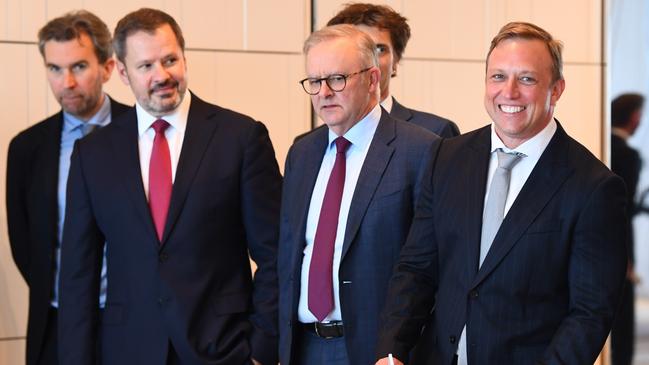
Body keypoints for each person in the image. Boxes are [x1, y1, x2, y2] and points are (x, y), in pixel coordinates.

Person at [375, 21, 628, 365]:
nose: (508, 92)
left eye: (526, 79)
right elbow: (417, 268)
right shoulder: (446, 157)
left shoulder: (594, 187)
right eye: (497, 77)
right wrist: (391, 352)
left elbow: (589, 313)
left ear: (556, 90)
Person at [57, 8, 281, 365]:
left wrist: (262, 349)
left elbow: (276, 255)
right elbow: (76, 277)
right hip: (128, 351)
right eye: (146, 66)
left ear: (184, 58)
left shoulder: (240, 137)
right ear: (123, 73)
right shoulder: (93, 154)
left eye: (170, 60)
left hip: (225, 350)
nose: (162, 75)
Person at [277, 24, 441, 365]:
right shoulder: (301, 153)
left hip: (378, 350)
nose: (324, 92)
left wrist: (399, 348)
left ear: (372, 79)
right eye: (314, 82)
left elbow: (431, 264)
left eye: (337, 78)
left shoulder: (421, 150)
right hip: (303, 346)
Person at [6, 10, 129, 365]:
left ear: (107, 68)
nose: (67, 83)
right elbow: (25, 242)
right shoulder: (27, 148)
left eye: (78, 67)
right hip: (56, 323)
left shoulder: (141, 132)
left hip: (131, 319)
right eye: (55, 69)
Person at [327, 3, 459, 138]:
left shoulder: (435, 132)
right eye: (356, 51)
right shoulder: (309, 144)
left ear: (395, 61)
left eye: (379, 50)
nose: (369, 60)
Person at [610, 93, 644, 365]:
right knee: (622, 325)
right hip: (619, 246)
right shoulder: (628, 155)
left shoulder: (601, 144)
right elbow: (623, 208)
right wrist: (627, 259)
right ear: (633, 116)